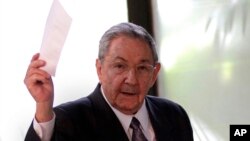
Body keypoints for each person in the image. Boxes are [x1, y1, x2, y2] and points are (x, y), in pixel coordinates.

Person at [24, 22, 193, 141]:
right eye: (120, 66)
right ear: (100, 69)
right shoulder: (70, 121)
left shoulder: (174, 115)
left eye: (142, 68)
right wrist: (43, 107)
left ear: (154, 74)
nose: (132, 80)